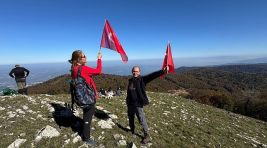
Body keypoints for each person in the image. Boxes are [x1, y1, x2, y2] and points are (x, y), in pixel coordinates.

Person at [126, 66, 168, 144]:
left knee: (141, 120)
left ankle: (147, 135)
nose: (135, 72)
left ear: (139, 72)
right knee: (131, 118)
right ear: (132, 72)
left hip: (138, 104)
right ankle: (132, 130)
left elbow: (152, 76)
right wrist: (127, 101)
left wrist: (162, 71)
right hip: (130, 104)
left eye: (137, 71)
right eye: (134, 71)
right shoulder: (130, 80)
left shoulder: (142, 80)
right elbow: (129, 92)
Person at [69, 50, 102, 146]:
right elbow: (98, 71)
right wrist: (99, 59)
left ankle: (85, 127)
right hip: (88, 97)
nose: (85, 57)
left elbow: (83, 78)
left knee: (86, 112)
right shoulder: (83, 69)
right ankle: (86, 137)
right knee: (88, 115)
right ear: (78, 59)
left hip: (81, 97)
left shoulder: (74, 68)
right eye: (83, 56)